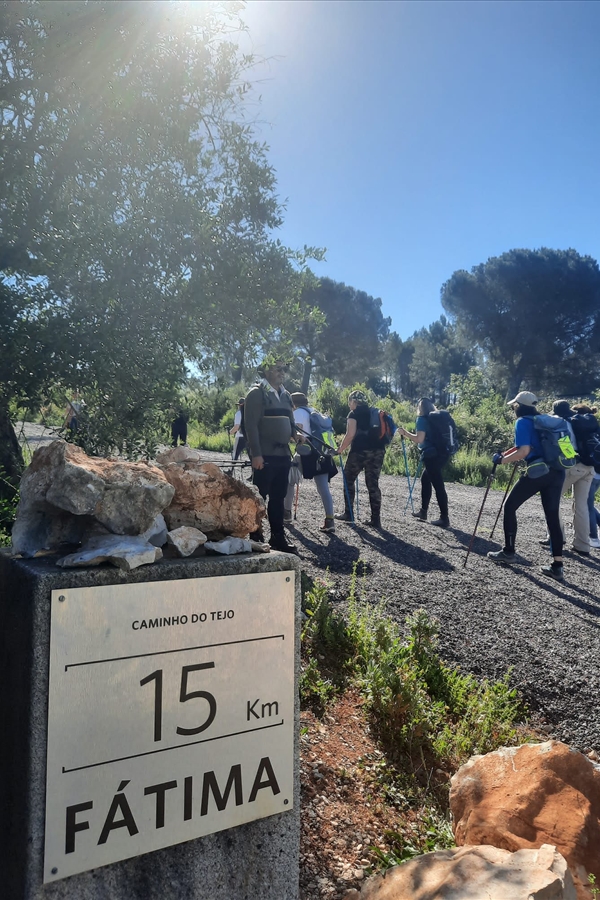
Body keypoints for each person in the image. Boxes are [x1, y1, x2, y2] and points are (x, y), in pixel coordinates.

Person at [487, 390, 565, 581]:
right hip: (557, 472)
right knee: (552, 516)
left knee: (509, 506)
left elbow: (523, 451)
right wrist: (505, 454)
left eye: (514, 405)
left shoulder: (522, 422)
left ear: (519, 406)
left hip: (538, 472)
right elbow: (521, 447)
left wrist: (501, 461)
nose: (513, 407)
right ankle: (557, 566)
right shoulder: (545, 422)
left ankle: (509, 552)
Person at [244, 358, 300, 554]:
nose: (282, 372)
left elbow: (291, 423)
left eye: (284, 369)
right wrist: (256, 455)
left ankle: (277, 537)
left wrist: (296, 435)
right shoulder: (256, 393)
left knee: (278, 497)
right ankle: (255, 536)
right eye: (278, 369)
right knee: (259, 497)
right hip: (265, 456)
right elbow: (250, 426)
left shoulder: (286, 395)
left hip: (283, 456)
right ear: (266, 371)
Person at [283, 392, 338, 533]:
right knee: (323, 487)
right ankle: (330, 520)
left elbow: (296, 436)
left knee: (289, 480)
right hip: (322, 452)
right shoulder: (315, 411)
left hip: (307, 453)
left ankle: (286, 514)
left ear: (293, 403)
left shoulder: (298, 413)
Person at [546, 400, 595, 556]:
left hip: (574, 466)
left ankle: (557, 537)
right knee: (581, 506)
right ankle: (583, 545)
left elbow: (566, 449)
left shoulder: (564, 423)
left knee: (552, 499)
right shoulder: (582, 421)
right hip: (590, 467)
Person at [335, 390, 387, 529]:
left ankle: (349, 514)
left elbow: (350, 434)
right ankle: (375, 520)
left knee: (348, 479)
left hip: (360, 451)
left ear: (354, 401)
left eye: (349, 402)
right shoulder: (374, 412)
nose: (349, 405)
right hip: (378, 451)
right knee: (373, 484)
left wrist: (340, 449)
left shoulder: (354, 414)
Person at [398, 398, 450, 527]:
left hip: (431, 455)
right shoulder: (436, 418)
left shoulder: (422, 419)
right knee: (426, 479)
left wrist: (405, 433)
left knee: (438, 485)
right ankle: (423, 511)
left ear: (420, 408)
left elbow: (419, 439)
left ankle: (444, 518)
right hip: (443, 453)